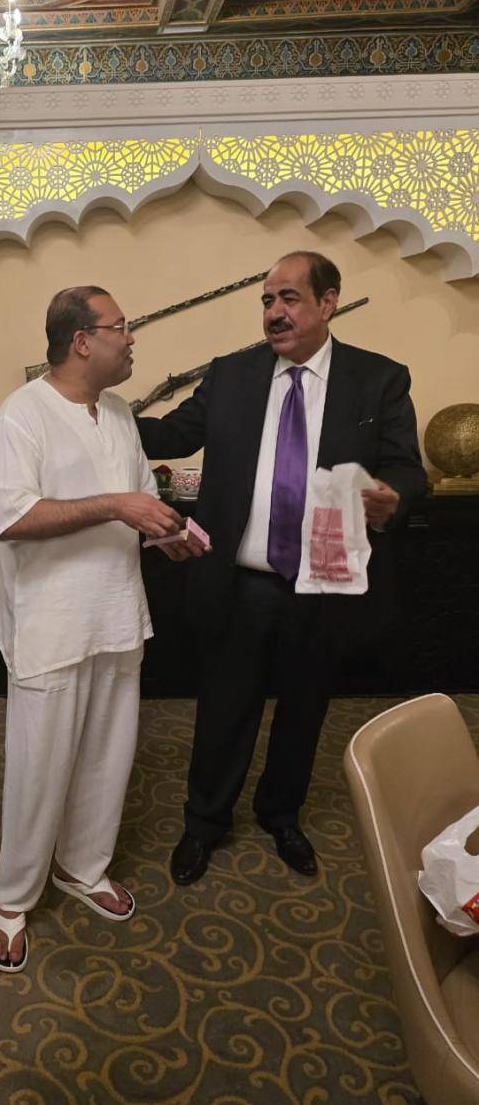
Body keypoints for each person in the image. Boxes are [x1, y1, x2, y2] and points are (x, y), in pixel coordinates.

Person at [136, 251, 427, 885]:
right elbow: (168, 436)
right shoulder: (232, 375)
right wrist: (88, 407)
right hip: (240, 583)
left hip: (323, 583)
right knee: (223, 711)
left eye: (289, 298)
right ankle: (204, 823)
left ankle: (281, 814)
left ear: (328, 302)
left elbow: (407, 467)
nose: (274, 312)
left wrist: (394, 496)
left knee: (304, 709)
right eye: (267, 300)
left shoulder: (377, 379)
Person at [0, 285, 201, 971]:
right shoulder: (20, 416)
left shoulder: (119, 412)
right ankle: (12, 900)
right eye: (121, 327)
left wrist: (166, 535)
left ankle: (82, 866)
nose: (131, 339)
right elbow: (13, 518)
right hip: (49, 625)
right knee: (38, 768)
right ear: (82, 340)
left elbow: (136, 504)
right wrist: (117, 504)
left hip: (116, 614)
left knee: (108, 757)